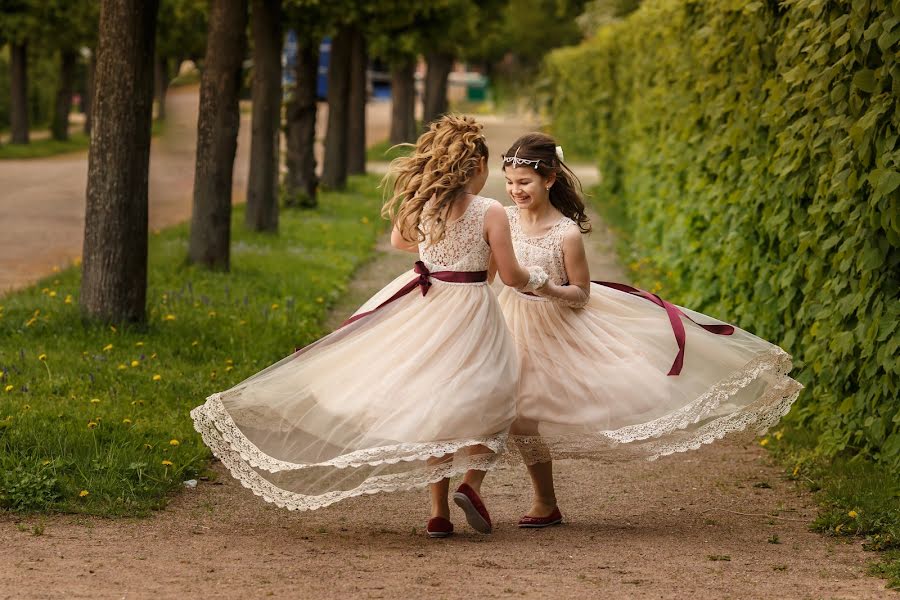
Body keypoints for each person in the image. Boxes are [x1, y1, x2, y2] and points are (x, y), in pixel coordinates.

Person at [190, 115, 548, 539]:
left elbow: (400, 241)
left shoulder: (425, 203)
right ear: (476, 167)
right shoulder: (490, 211)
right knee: (494, 395)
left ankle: (438, 513)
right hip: (473, 308)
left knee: (435, 405)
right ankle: (471, 484)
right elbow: (509, 275)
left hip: (429, 302)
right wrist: (540, 281)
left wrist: (439, 247)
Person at [483, 132, 803, 527]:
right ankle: (500, 494)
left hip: (555, 324)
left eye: (524, 183)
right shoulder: (502, 218)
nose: (515, 190)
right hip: (509, 318)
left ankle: (542, 501)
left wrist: (546, 286)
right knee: (500, 403)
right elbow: (489, 273)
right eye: (510, 182)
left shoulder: (564, 233)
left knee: (525, 411)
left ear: (548, 180)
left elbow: (580, 294)